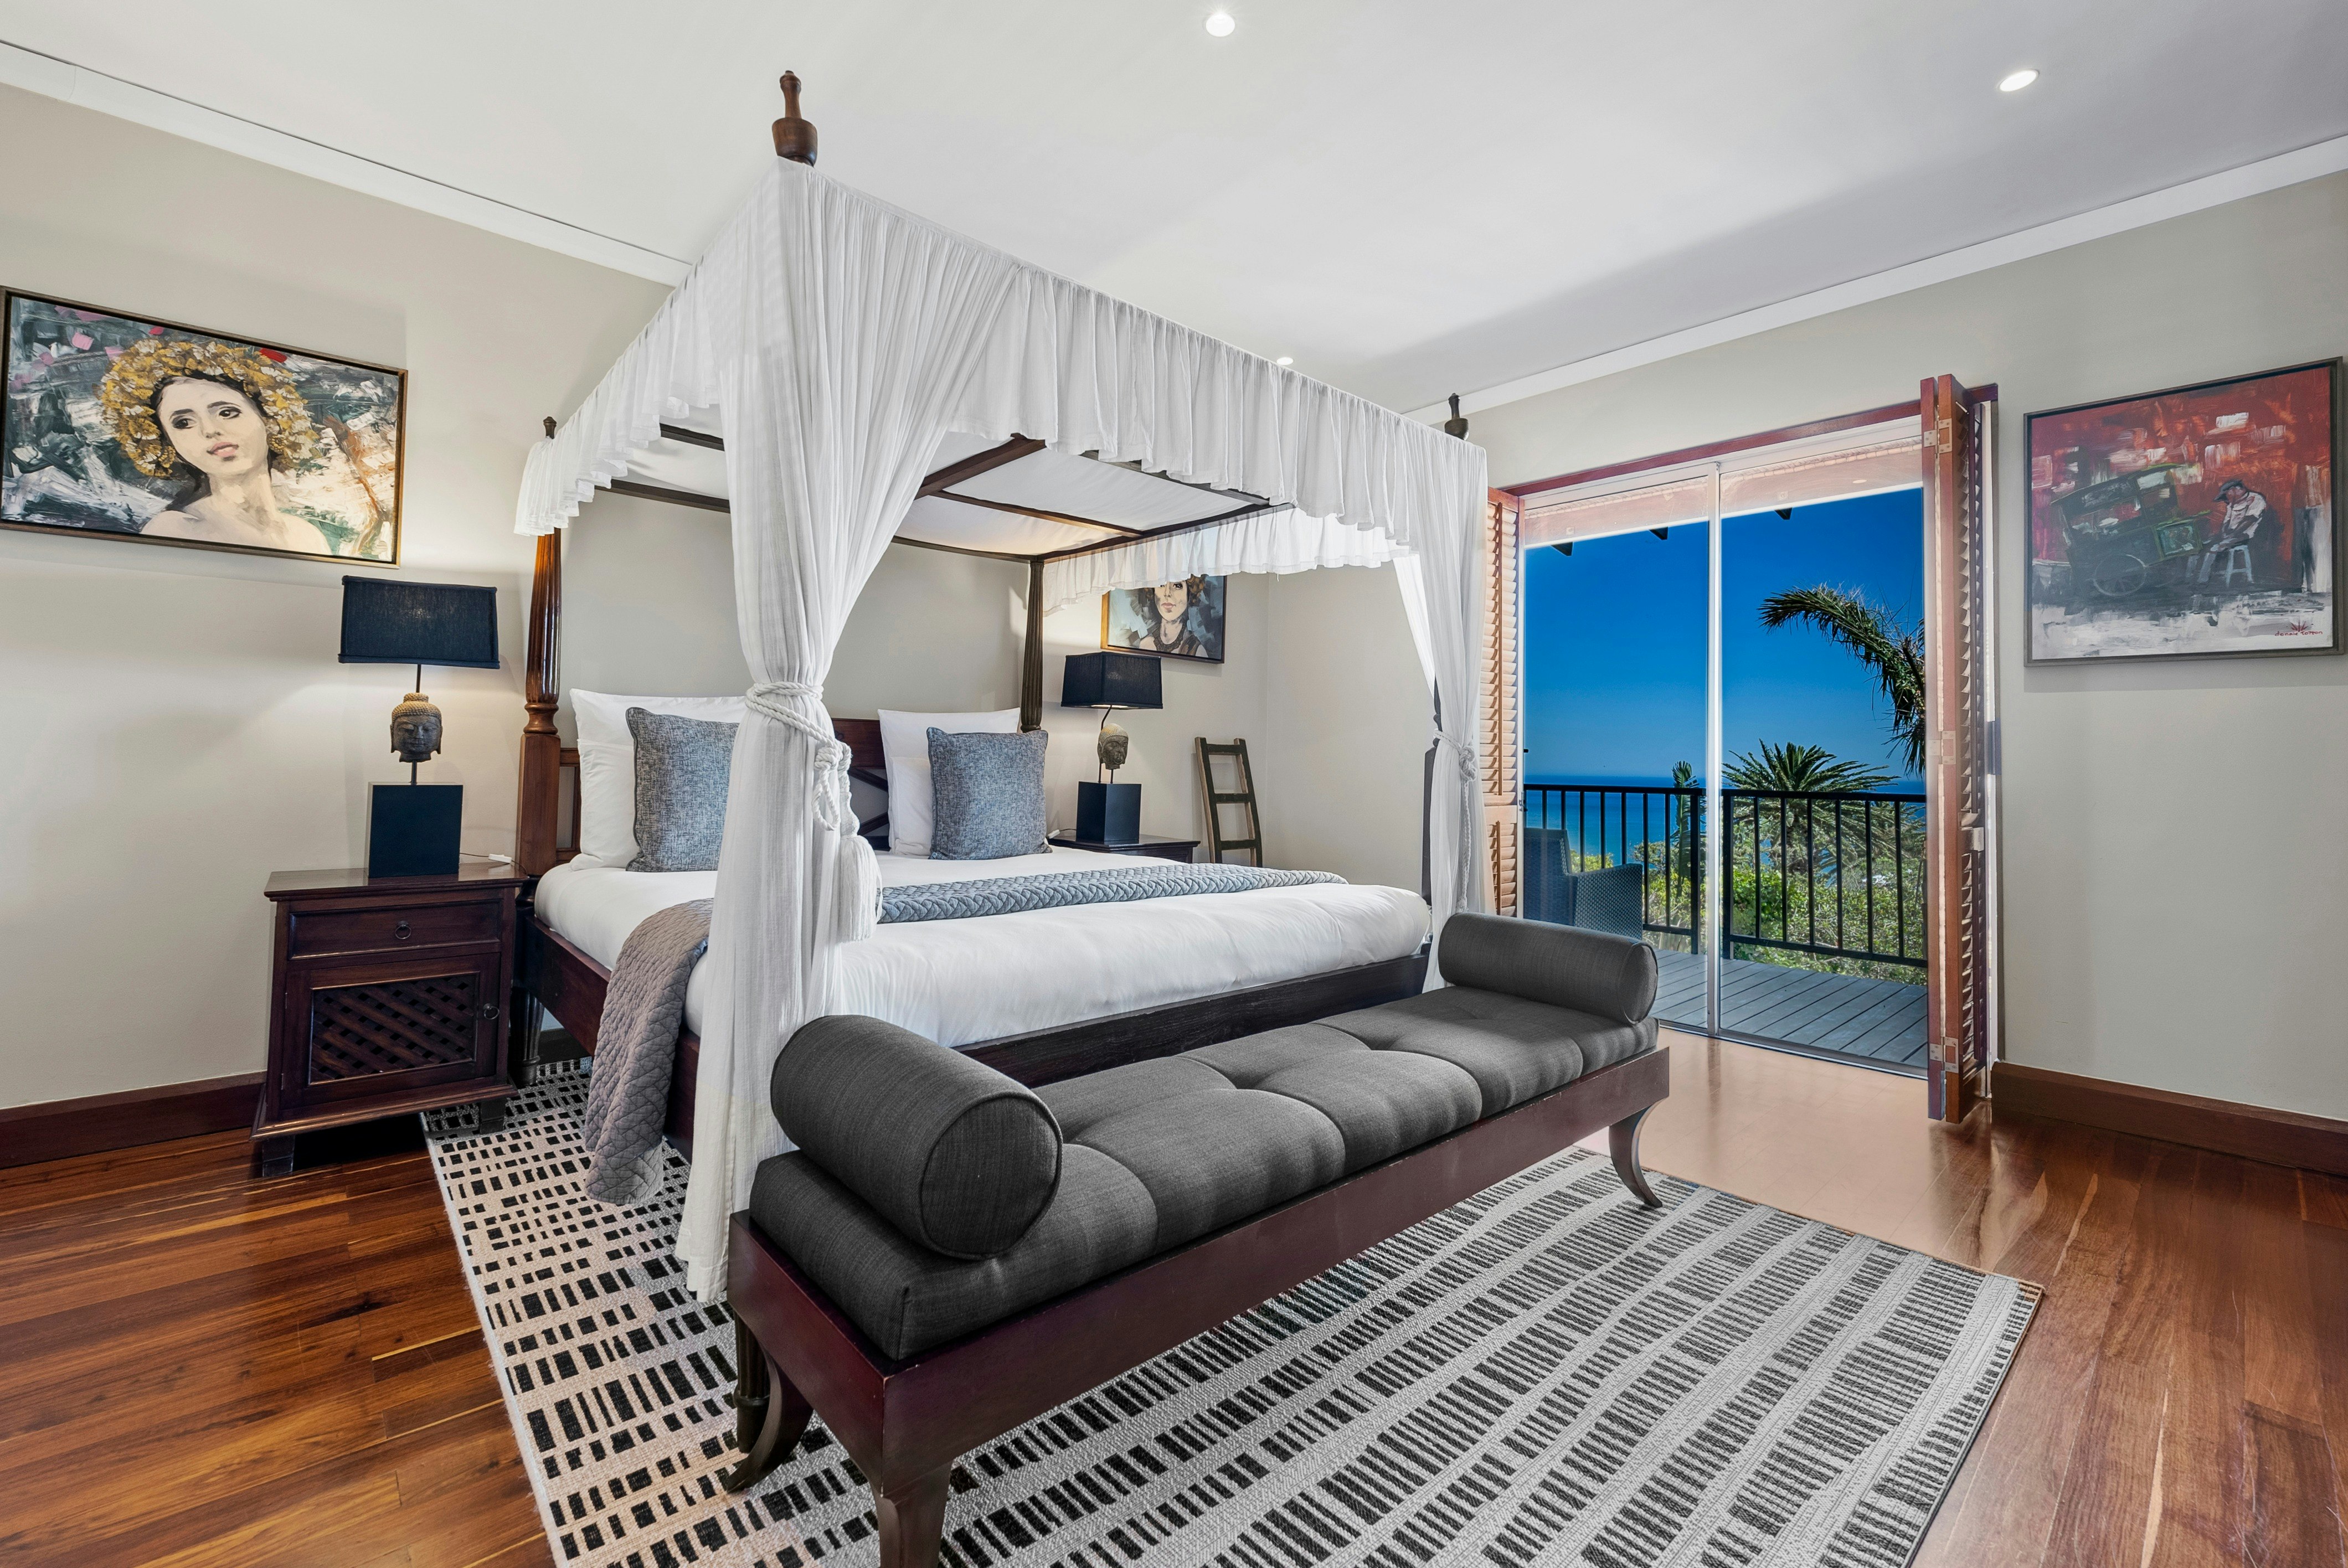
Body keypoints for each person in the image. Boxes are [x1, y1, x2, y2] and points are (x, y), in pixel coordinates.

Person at [96, 336, 337, 555]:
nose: (210, 430)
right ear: (167, 443)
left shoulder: (306, 536)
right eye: (183, 423)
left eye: (227, 412)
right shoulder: (174, 530)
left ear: (270, 419)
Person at [2193, 478, 2272, 586]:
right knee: (2203, 545)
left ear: (2236, 489)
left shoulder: (2256, 499)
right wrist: (2224, 533)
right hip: (2231, 535)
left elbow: (2249, 521)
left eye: (2227, 494)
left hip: (2247, 536)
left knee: (2215, 548)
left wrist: (2230, 536)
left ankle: (2202, 580)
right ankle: (2195, 577)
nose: (2227, 498)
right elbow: (2227, 521)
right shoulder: (2232, 504)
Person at [1121, 577, 1211, 657]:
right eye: (1161, 585)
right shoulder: (1145, 644)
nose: (1167, 593)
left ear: (1190, 593)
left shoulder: (1197, 651)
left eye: (1178, 586)